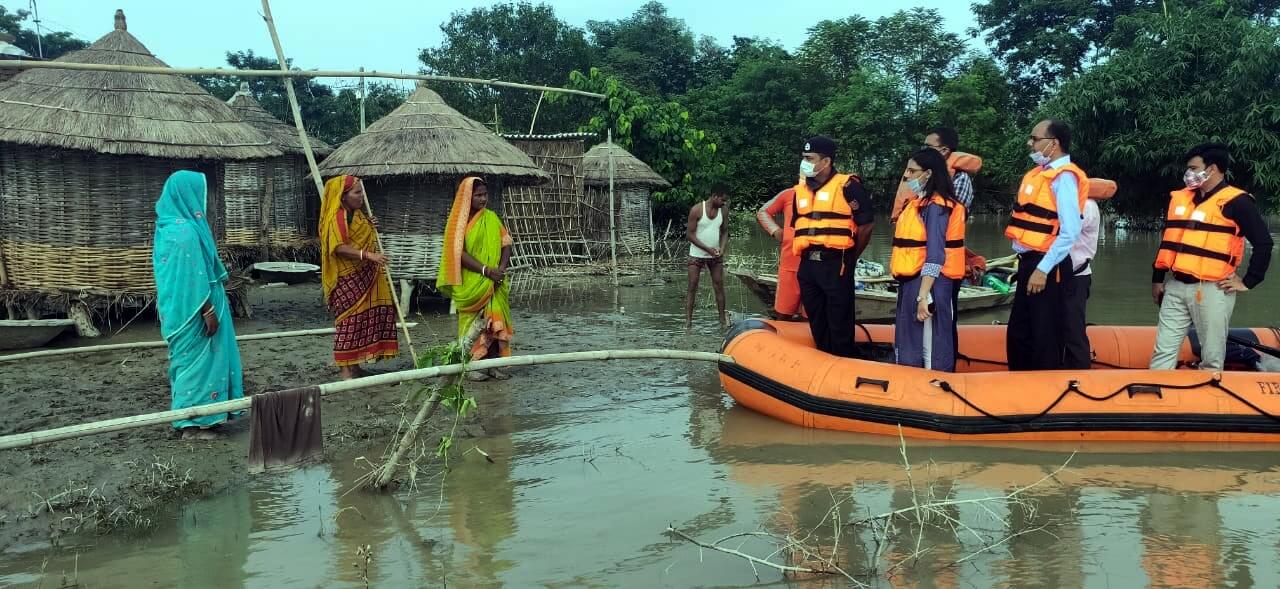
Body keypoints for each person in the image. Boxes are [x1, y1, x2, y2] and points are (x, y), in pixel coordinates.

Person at [1150, 143, 1273, 371]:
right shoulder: (1182, 199)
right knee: (1163, 350)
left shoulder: (1238, 201)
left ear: (1213, 169)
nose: (1189, 174)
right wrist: (1157, 279)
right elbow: (1170, 240)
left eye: (1194, 168)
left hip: (1212, 289)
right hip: (1176, 286)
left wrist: (1248, 281)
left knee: (1212, 356)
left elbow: (1264, 243)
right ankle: (1158, 397)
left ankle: (1207, 400)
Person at [152, 170, 244, 440]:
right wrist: (208, 310)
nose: (204, 200)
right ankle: (191, 427)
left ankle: (204, 419)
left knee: (193, 362)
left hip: (177, 308)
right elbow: (191, 277)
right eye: (199, 193)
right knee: (195, 364)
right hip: (195, 310)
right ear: (186, 195)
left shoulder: (168, 226)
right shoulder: (184, 233)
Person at [1004, 119, 1086, 371]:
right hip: (1029, 262)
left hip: (1048, 266)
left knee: (1045, 334)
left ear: (1054, 144)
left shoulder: (1065, 178)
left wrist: (1043, 269)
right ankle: (1019, 387)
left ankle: (1045, 391)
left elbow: (1070, 231)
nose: (1030, 143)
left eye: (1035, 138)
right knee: (1020, 332)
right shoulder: (1039, 175)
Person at [792, 136, 876, 357]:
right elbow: (798, 226)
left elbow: (866, 225)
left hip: (835, 262)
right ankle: (823, 361)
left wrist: (851, 257)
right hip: (808, 266)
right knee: (817, 320)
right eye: (804, 158)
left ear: (826, 162)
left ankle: (845, 361)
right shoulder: (800, 191)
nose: (805, 163)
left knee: (839, 321)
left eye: (810, 158)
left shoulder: (848, 186)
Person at [891, 149, 965, 372]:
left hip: (930, 283)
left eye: (912, 171)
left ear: (928, 174)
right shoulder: (920, 203)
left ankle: (933, 389)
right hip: (913, 280)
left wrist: (923, 296)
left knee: (928, 346)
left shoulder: (937, 206)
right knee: (908, 340)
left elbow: (936, 255)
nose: (907, 176)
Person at [319, 175, 398, 380]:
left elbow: (361, 234)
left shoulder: (359, 215)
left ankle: (355, 366)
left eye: (361, 191)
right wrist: (368, 255)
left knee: (362, 319)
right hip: (347, 277)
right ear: (343, 197)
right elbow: (338, 247)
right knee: (348, 322)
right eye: (356, 192)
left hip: (366, 275)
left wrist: (370, 226)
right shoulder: (337, 217)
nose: (361, 196)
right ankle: (345, 370)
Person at [437, 176, 515, 381]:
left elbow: (506, 243)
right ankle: (471, 366)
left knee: (495, 322)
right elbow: (458, 253)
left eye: (485, 194)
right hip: (472, 282)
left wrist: (500, 269)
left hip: (495, 280)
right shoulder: (457, 223)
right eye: (478, 195)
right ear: (466, 197)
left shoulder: (491, 217)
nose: (483, 199)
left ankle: (493, 365)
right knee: (473, 323)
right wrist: (485, 271)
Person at [1062, 178, 1116, 369]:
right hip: (1058, 275)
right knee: (1057, 326)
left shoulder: (1086, 205)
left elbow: (1066, 232)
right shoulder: (1069, 203)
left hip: (1076, 276)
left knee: (1073, 328)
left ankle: (1079, 370)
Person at [755, 187, 804, 320]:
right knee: (783, 312)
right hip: (789, 263)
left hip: (817, 265)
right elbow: (763, 212)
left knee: (812, 314)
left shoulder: (828, 196)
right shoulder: (789, 194)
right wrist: (775, 230)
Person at [685, 184, 730, 328]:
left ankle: (722, 320)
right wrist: (707, 249)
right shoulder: (697, 210)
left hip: (715, 256)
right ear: (714, 196)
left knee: (719, 285)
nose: (724, 203)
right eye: (722, 200)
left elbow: (724, 232)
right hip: (696, 254)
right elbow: (690, 235)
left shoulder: (723, 211)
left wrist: (721, 249)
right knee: (692, 286)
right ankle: (688, 322)